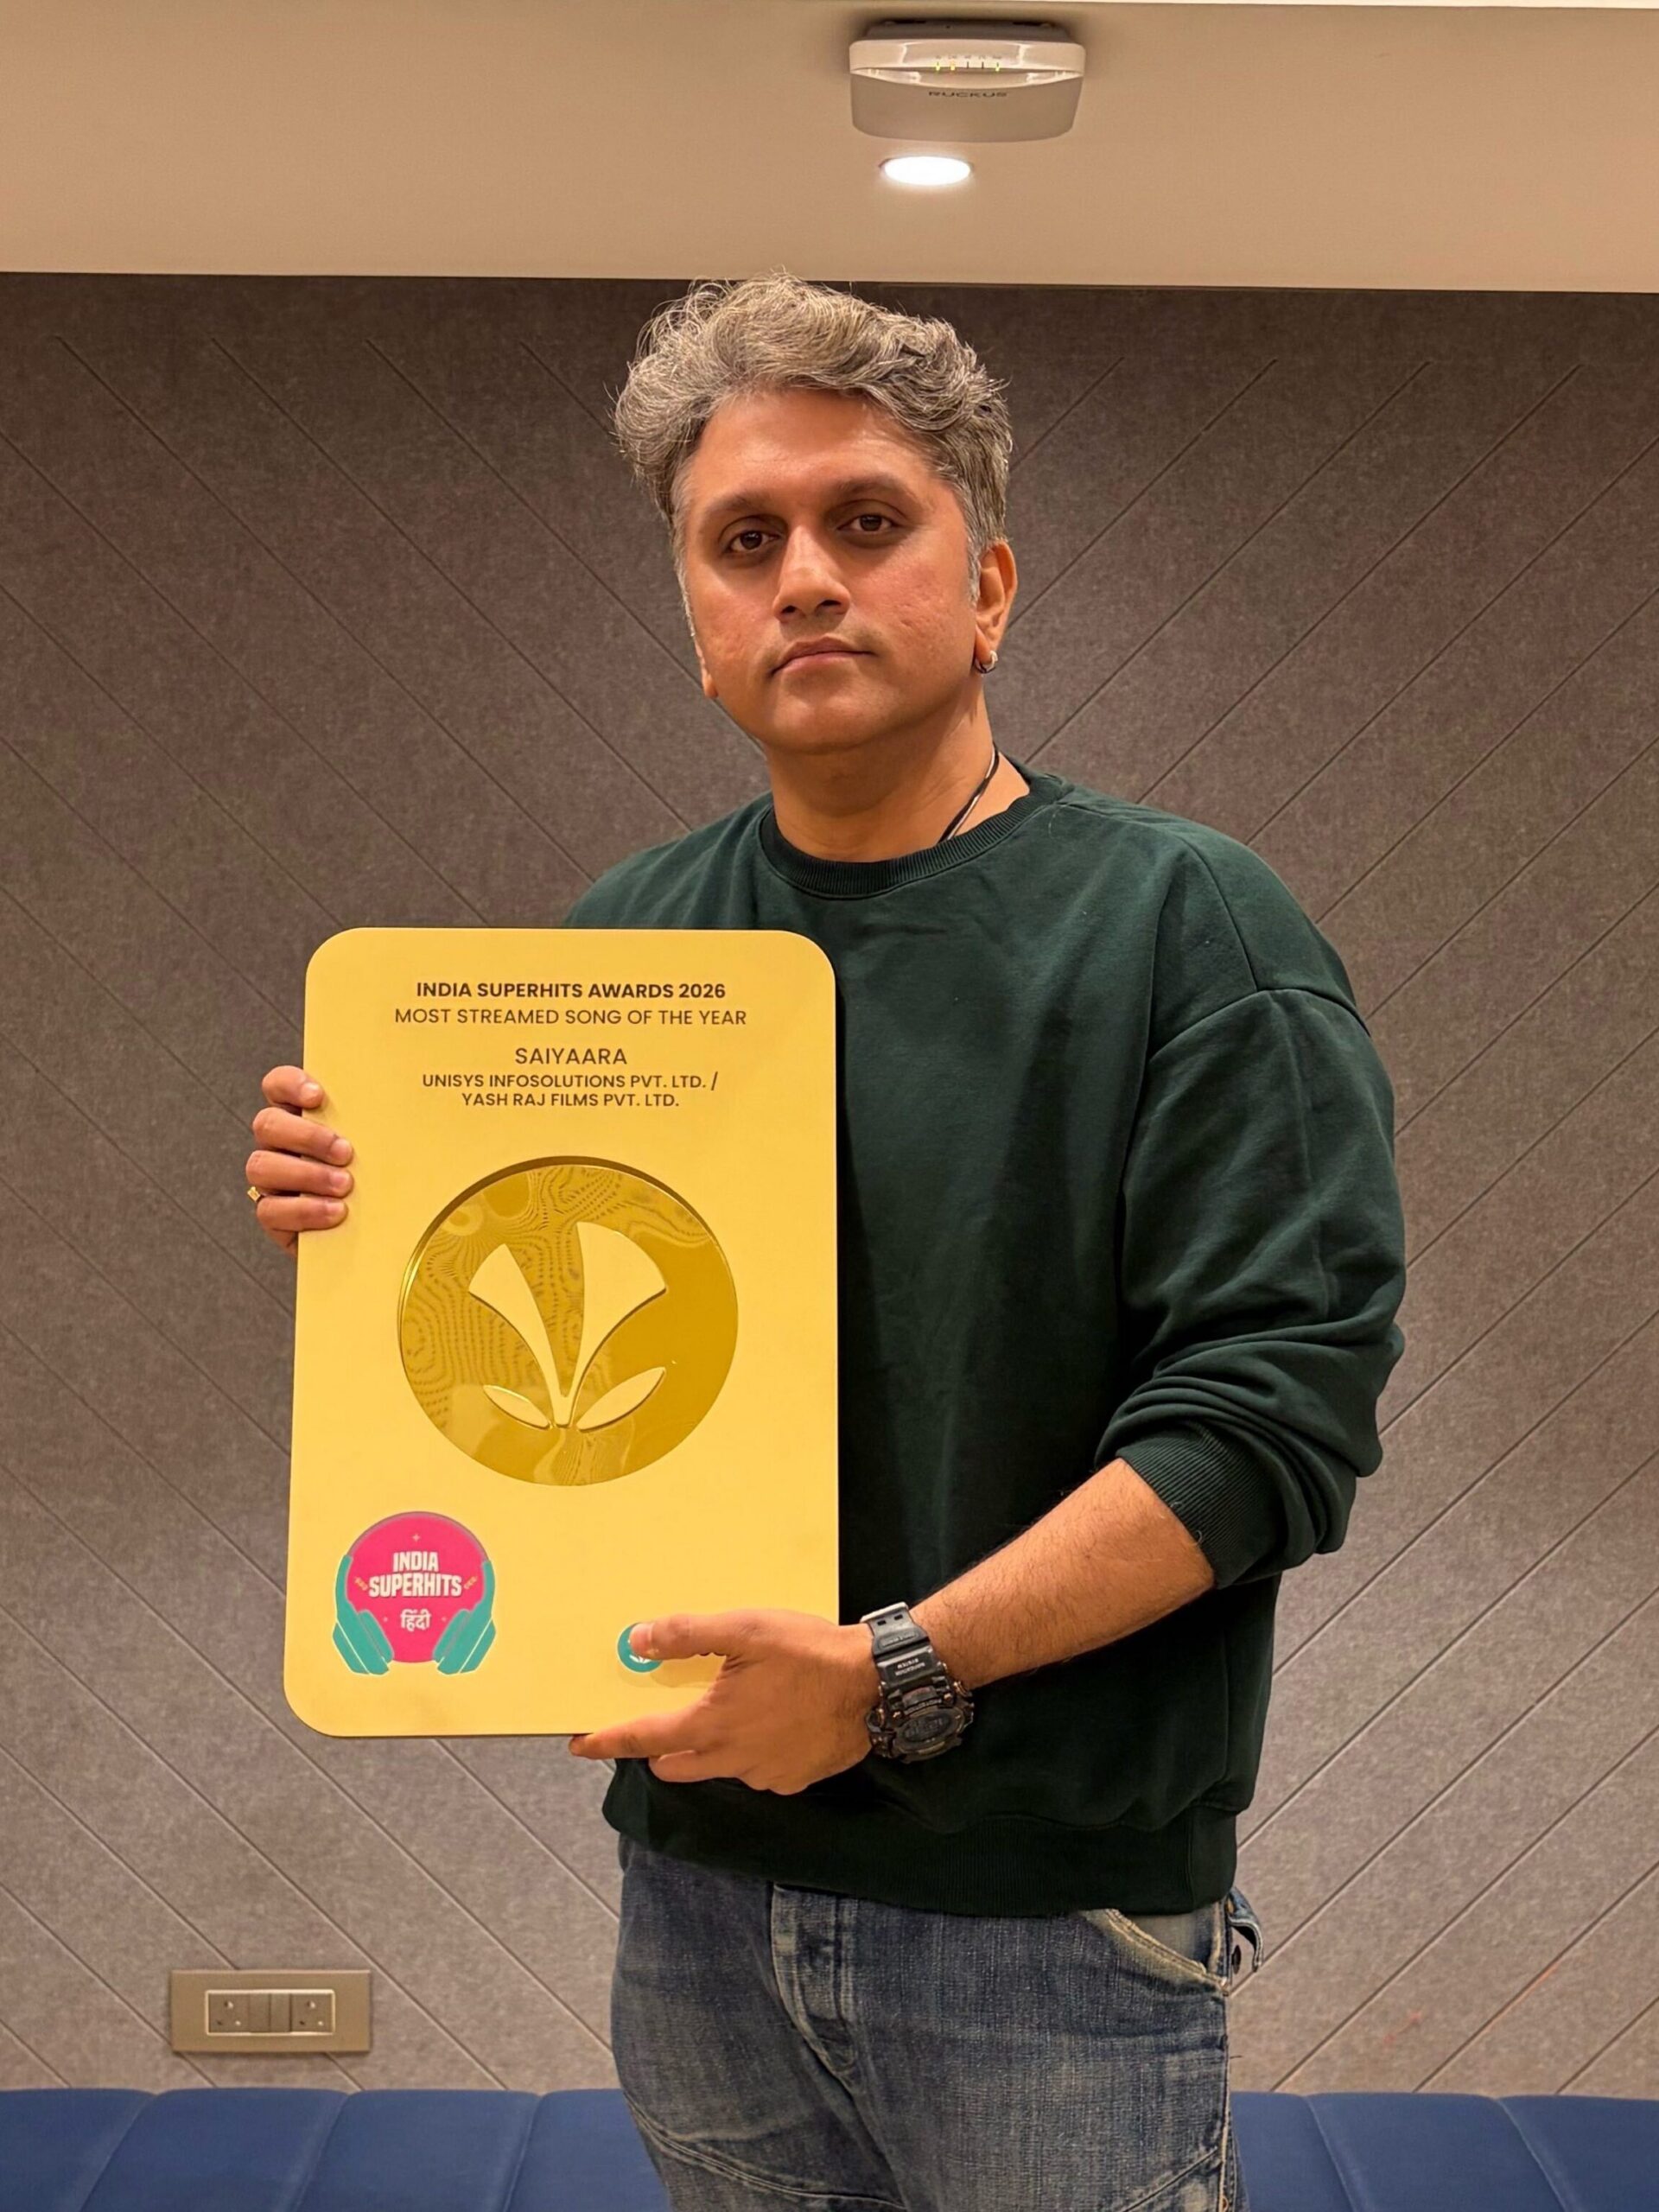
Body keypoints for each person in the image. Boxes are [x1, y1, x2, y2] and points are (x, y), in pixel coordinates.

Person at [246, 269, 1407, 2212]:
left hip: (1049, 1927)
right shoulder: (620, 943)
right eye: (743, 540)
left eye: (868, 521)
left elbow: (1269, 1424)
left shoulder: (1188, 929)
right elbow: (536, 1353)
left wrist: (891, 1674)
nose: (804, 578)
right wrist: (371, 1233)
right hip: (698, 1898)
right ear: (696, 622)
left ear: (990, 586)